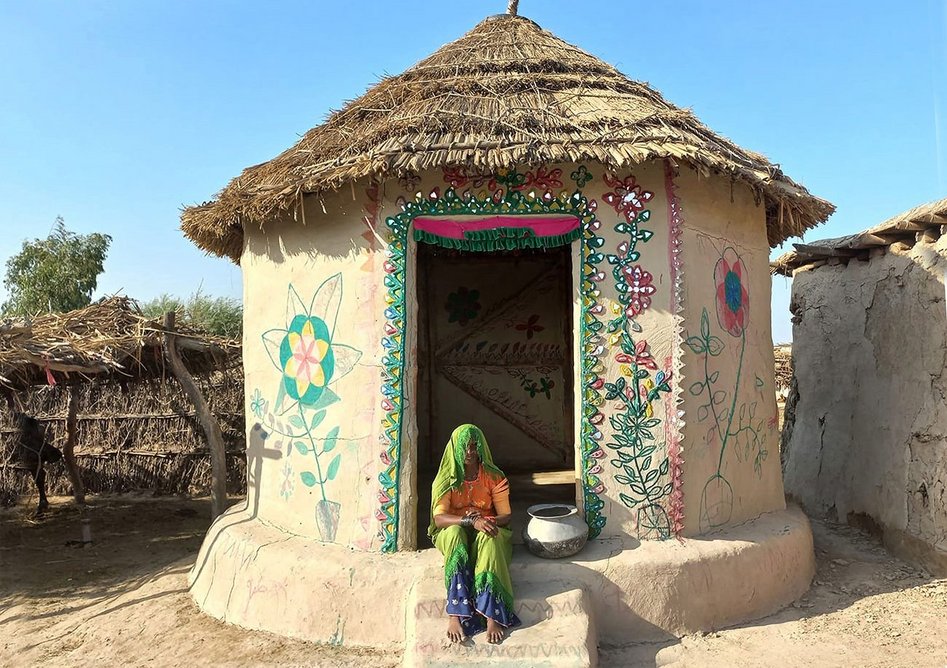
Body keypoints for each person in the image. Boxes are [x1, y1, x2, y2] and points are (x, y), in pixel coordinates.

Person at [429, 424, 520, 644]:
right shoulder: (446, 479)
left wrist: (485, 521)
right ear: (454, 449)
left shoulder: (493, 476)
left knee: (490, 540)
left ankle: (492, 616)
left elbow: (505, 516)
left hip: (485, 527)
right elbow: (439, 519)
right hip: (456, 529)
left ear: (481, 448)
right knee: (454, 534)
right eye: (464, 447)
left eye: (473, 447)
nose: (469, 452)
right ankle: (455, 615)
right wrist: (471, 520)